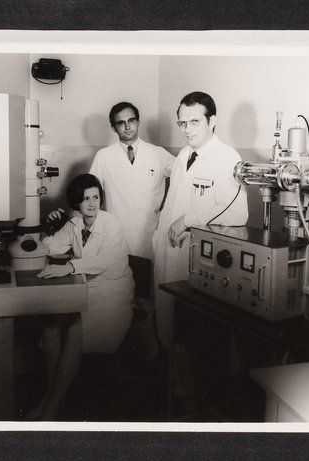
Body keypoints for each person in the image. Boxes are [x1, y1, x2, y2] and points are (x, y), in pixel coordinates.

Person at [28, 173, 134, 420]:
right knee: (50, 331)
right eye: (86, 198)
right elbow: (50, 248)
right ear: (76, 201)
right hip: (84, 290)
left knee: (75, 330)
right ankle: (50, 397)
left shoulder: (111, 224)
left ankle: (53, 406)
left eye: (96, 197)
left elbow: (102, 262)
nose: (92, 203)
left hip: (111, 293)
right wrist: (48, 228)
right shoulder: (75, 224)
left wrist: (69, 267)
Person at [152, 91, 249, 346]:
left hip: (198, 257)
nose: (187, 130)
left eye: (194, 122)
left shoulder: (228, 157)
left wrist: (188, 219)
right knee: (166, 323)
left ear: (212, 121)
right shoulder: (183, 155)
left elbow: (238, 213)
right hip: (169, 249)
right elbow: (173, 201)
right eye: (182, 123)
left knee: (192, 332)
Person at [89, 102, 175, 261]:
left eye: (131, 120)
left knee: (148, 273)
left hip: (150, 234)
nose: (127, 126)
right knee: (118, 274)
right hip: (116, 235)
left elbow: (184, 176)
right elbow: (90, 194)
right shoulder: (103, 156)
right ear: (113, 128)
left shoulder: (158, 154)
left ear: (138, 122)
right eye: (121, 123)